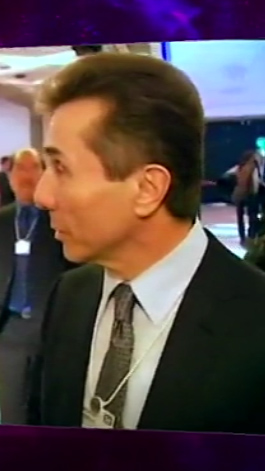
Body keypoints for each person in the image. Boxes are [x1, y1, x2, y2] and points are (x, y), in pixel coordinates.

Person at [28, 52, 265, 435]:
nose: (41, 195)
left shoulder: (255, 323)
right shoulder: (69, 294)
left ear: (147, 188)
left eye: (61, 168)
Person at [0, 147, 76, 425]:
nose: (27, 175)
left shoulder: (60, 219)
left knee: (50, 416)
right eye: (20, 168)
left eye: (34, 168)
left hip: (49, 333)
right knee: (12, 416)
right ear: (10, 176)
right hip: (7, 333)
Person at [232, 150, 260, 245]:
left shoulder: (239, 167)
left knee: (240, 217)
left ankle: (243, 237)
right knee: (252, 216)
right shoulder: (252, 167)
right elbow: (254, 183)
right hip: (249, 194)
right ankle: (251, 236)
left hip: (239, 194)